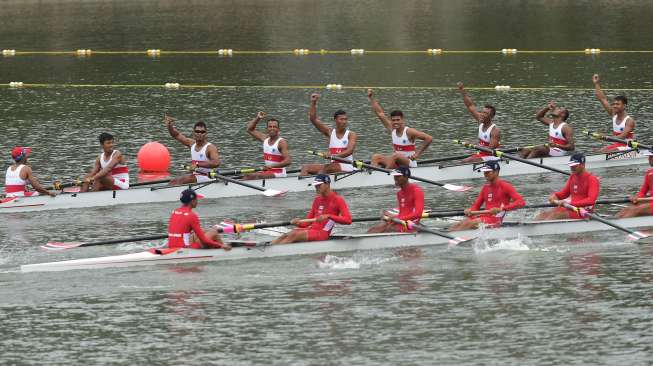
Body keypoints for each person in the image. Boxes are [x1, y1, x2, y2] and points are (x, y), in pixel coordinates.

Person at [272, 174, 352, 244]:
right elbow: (307, 223)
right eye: (315, 185)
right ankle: (270, 248)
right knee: (286, 234)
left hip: (322, 233)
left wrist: (328, 216)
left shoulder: (338, 200)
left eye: (319, 185)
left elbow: (348, 220)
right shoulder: (317, 200)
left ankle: (275, 252)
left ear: (327, 184)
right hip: (312, 230)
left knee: (293, 235)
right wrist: (298, 222)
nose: (316, 187)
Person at [449, 160, 525, 231]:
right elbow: (476, 206)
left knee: (469, 223)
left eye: (488, 172)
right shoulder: (485, 188)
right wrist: (470, 211)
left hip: (495, 220)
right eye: (484, 172)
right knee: (458, 224)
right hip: (484, 217)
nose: (485, 174)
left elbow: (521, 202)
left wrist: (501, 209)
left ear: (496, 172)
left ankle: (452, 239)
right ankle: (448, 236)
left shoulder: (505, 186)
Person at [367, 89, 433, 168]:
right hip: (396, 162)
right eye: (393, 120)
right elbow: (380, 113)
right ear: (391, 121)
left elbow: (429, 138)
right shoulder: (392, 129)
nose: (395, 122)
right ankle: (374, 174)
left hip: (409, 163)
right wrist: (371, 98)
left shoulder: (409, 131)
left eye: (398, 120)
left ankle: (385, 174)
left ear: (402, 119)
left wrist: (417, 154)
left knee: (395, 156)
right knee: (376, 157)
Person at [300, 93, 358, 175]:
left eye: (346, 119)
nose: (344, 122)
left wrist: (333, 156)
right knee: (306, 168)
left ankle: (319, 183)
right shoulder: (329, 132)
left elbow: (349, 151)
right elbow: (313, 119)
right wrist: (313, 102)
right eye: (341, 119)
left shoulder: (351, 134)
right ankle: (304, 186)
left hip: (347, 165)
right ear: (335, 120)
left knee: (328, 167)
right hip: (333, 166)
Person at [536, 153, 601, 220]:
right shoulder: (572, 177)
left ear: (582, 165)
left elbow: (591, 200)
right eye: (571, 166)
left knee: (556, 215)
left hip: (583, 211)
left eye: (574, 166)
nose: (572, 168)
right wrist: (554, 196)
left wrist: (570, 203)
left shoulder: (592, 179)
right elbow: (563, 194)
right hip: (570, 208)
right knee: (542, 215)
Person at [164, 113, 220, 185]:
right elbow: (176, 135)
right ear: (193, 133)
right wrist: (169, 126)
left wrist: (197, 165)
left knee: (183, 180)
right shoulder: (191, 143)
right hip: (195, 176)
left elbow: (216, 163)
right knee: (173, 181)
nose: (199, 133)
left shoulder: (210, 147)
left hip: (207, 177)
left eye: (202, 132)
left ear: (206, 133)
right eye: (197, 131)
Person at [167, 189, 231, 250]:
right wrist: (220, 245)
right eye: (196, 199)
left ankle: (218, 247)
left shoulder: (174, 211)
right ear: (192, 201)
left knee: (204, 231)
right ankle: (224, 249)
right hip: (185, 248)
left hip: (171, 246)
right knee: (214, 232)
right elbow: (204, 240)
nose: (197, 201)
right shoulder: (192, 215)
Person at [367, 167, 425, 233]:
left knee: (389, 229)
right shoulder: (399, 193)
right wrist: (392, 217)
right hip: (401, 221)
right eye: (395, 176)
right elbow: (402, 213)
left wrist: (398, 219)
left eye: (398, 176)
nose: (395, 179)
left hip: (412, 224)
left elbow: (418, 214)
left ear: (406, 177)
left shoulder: (417, 191)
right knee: (373, 230)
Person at [457, 82, 501, 162]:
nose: (482, 115)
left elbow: (490, 149)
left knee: (466, 161)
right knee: (463, 160)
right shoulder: (480, 120)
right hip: (482, 153)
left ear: (491, 117)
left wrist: (473, 145)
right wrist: (462, 90)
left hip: (493, 157)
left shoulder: (495, 131)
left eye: (485, 113)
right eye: (482, 112)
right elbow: (470, 105)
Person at [593, 74, 636, 152]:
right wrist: (596, 83)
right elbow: (602, 99)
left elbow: (622, 137)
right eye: (614, 104)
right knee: (597, 151)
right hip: (617, 144)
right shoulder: (613, 114)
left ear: (624, 106)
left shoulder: (629, 121)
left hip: (628, 146)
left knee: (608, 151)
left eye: (617, 104)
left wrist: (605, 137)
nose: (614, 106)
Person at [243, 111, 291, 180]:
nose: (272, 128)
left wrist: (271, 166)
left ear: (278, 129)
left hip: (279, 173)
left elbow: (288, 161)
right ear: (267, 129)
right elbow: (249, 129)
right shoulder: (264, 138)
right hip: (268, 171)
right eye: (270, 127)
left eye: (274, 127)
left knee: (251, 176)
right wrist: (258, 118)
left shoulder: (281, 142)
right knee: (246, 175)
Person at [616, 148, 653, 218]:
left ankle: (619, 226)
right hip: (650, 202)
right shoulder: (649, 173)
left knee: (635, 210)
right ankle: (609, 224)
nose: (648, 159)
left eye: (651, 157)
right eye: (649, 157)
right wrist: (636, 197)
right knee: (627, 209)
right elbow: (642, 192)